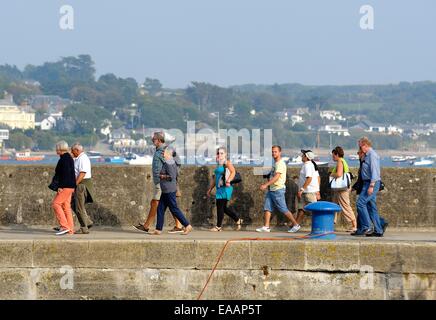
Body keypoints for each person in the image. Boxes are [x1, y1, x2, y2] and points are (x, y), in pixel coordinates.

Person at [134, 132, 183, 233]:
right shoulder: (160, 150)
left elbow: (173, 165)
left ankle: (147, 226)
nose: (152, 141)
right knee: (169, 204)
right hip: (161, 182)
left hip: (162, 183)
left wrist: (169, 177)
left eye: (154, 139)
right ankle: (179, 225)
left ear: (159, 140)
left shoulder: (164, 151)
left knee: (155, 202)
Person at [256, 145, 301, 233]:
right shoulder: (275, 163)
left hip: (278, 190)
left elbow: (276, 177)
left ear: (280, 152)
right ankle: (266, 226)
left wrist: (266, 185)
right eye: (272, 152)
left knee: (283, 209)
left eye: (275, 151)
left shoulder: (280, 163)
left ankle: (296, 225)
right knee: (267, 207)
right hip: (272, 189)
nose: (273, 153)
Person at [153, 148, 193, 235]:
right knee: (160, 209)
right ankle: (158, 229)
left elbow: (172, 176)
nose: (163, 153)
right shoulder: (171, 162)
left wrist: (161, 176)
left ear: (169, 154)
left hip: (169, 190)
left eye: (165, 152)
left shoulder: (168, 162)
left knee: (174, 209)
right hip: (166, 190)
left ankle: (187, 225)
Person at [351, 137, 384, 237]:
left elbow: (375, 171)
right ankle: (378, 230)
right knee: (371, 207)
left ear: (365, 145)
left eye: (360, 147)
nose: (360, 149)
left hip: (371, 183)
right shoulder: (366, 155)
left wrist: (372, 186)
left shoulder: (372, 155)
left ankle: (367, 226)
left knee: (360, 203)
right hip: (366, 183)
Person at [206, 147, 243, 231]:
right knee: (224, 208)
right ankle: (237, 219)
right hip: (219, 188)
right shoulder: (218, 164)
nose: (220, 155)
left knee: (220, 206)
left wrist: (229, 180)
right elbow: (215, 178)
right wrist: (210, 189)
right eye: (218, 153)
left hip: (226, 187)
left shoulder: (227, 163)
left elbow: (233, 171)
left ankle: (218, 227)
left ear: (225, 154)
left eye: (222, 153)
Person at [330, 146, 357, 232]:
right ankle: (331, 222)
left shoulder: (340, 162)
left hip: (342, 188)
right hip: (341, 188)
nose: (333, 157)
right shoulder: (343, 161)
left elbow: (339, 174)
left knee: (345, 205)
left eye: (333, 155)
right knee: (335, 204)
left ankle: (354, 224)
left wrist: (331, 174)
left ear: (337, 154)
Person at [51, 141, 76, 235]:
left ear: (60, 149)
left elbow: (64, 174)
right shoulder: (68, 158)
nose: (56, 150)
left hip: (66, 186)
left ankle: (64, 226)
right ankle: (70, 229)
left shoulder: (64, 159)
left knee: (56, 204)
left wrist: (60, 186)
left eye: (56, 148)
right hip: (70, 186)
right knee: (66, 207)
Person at [71, 143, 95, 234]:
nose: (72, 152)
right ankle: (87, 222)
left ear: (77, 150)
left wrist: (75, 184)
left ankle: (84, 227)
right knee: (73, 204)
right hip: (80, 184)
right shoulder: (79, 158)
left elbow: (82, 173)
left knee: (79, 206)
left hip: (82, 185)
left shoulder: (82, 159)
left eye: (73, 151)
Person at [295, 150, 320, 225]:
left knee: (315, 210)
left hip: (309, 191)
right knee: (301, 209)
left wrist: (301, 189)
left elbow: (309, 178)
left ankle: (319, 226)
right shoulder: (306, 165)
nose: (302, 156)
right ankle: (296, 225)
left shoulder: (308, 165)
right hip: (306, 191)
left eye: (303, 155)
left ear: (307, 157)